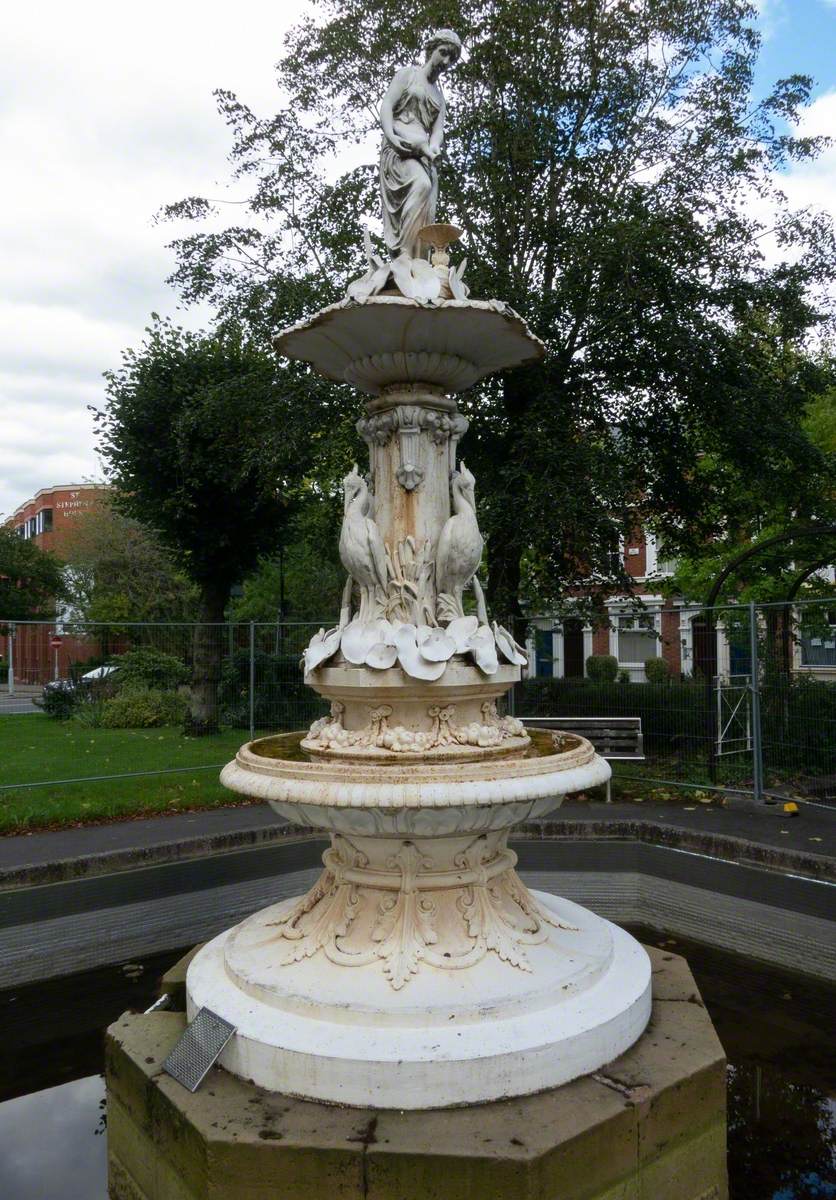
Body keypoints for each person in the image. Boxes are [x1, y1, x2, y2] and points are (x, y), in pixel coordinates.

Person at [379, 30, 462, 260]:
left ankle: (418, 258)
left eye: (451, 59)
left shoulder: (439, 97)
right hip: (400, 149)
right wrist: (390, 135)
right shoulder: (408, 75)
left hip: (423, 155)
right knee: (422, 185)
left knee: (428, 200)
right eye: (443, 53)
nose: (445, 62)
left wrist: (434, 148)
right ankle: (404, 254)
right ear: (431, 50)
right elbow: (387, 105)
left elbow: (437, 132)